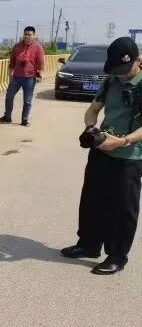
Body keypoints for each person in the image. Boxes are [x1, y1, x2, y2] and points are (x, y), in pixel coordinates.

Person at [61, 37, 142, 275]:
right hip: (102, 150)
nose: (120, 74)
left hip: (129, 156)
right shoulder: (111, 80)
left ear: (137, 61)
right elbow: (93, 109)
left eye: (124, 69)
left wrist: (124, 140)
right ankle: (89, 244)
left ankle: (117, 256)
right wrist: (91, 129)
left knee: (122, 208)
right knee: (92, 199)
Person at [0, 26, 45, 127]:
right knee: (9, 97)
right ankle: (7, 117)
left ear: (34, 35)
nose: (27, 36)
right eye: (25, 34)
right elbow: (12, 62)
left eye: (29, 34)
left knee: (27, 100)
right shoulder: (17, 46)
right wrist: (10, 75)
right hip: (16, 77)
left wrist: (40, 75)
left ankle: (24, 120)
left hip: (30, 78)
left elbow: (41, 63)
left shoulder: (38, 47)